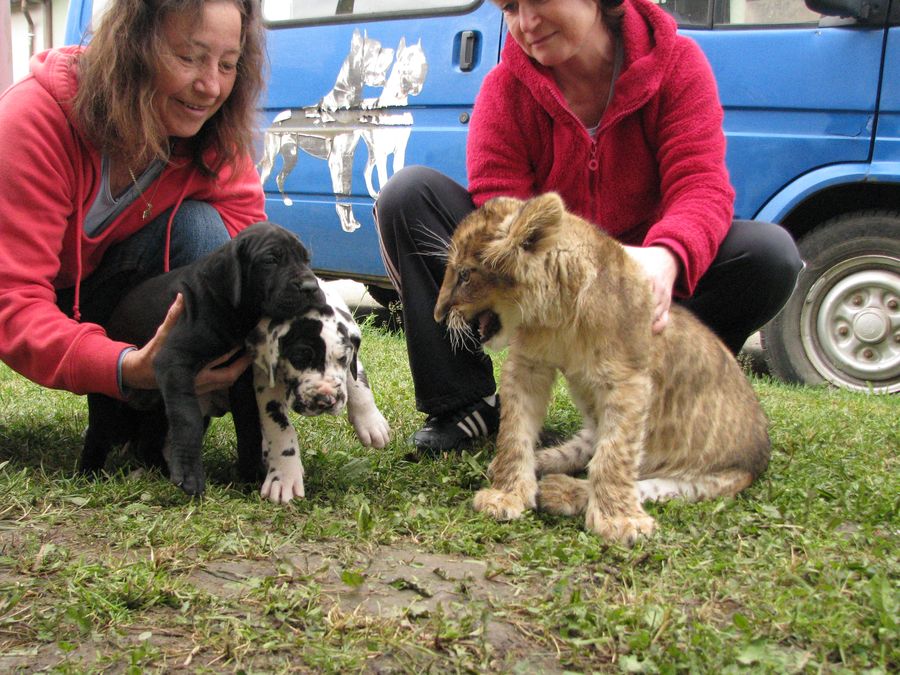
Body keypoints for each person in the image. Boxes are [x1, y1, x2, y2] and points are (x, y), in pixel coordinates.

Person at [375, 0, 803, 453]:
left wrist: (667, 255)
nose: (527, 23)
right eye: (511, 8)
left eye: (539, 0)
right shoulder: (505, 88)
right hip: (550, 275)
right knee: (409, 194)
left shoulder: (677, 64)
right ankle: (466, 406)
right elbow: (502, 203)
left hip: (644, 284)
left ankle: (664, 400)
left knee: (767, 255)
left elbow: (701, 184)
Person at [0, 0, 267, 405]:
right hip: (28, 295)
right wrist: (124, 366)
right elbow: (13, 297)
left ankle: (157, 421)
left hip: (95, 295)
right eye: (188, 58)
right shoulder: (34, 120)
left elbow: (254, 251)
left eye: (227, 65)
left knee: (209, 237)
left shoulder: (211, 132)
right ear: (133, 47)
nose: (211, 86)